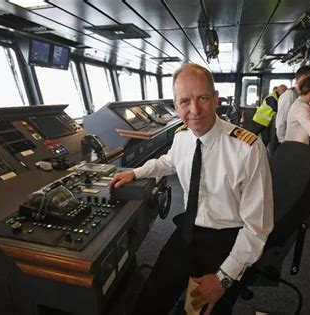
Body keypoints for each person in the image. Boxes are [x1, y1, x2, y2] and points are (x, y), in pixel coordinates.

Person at [110, 63, 274, 315]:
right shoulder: (182, 135)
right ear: (175, 106)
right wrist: (136, 172)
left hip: (228, 238)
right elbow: (170, 161)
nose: (194, 110)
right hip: (188, 229)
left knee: (204, 307)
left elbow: (257, 227)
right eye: (185, 101)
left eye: (203, 98)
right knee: (151, 297)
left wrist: (224, 278)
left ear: (216, 99)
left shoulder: (247, 149)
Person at [275, 65, 310, 143]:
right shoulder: (290, 94)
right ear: (304, 78)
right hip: (287, 141)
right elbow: (281, 120)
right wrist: (282, 141)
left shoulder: (302, 95)